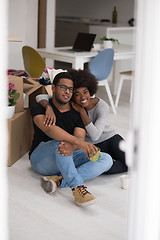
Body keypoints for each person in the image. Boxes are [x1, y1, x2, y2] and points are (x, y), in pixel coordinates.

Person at [29, 71, 113, 207]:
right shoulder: (39, 107)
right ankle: (77, 188)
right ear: (53, 88)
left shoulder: (78, 111)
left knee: (105, 159)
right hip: (41, 159)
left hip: (65, 155)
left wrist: (75, 145)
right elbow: (50, 130)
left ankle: (59, 180)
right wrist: (79, 143)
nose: (67, 92)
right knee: (61, 143)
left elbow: (79, 136)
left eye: (70, 89)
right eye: (63, 88)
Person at [36, 69, 128, 175]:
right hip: (88, 145)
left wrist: (81, 111)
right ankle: (83, 172)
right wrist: (48, 107)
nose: (83, 97)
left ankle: (99, 167)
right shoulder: (70, 104)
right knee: (102, 164)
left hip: (110, 138)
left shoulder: (101, 106)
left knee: (132, 163)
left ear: (90, 91)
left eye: (85, 92)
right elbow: (40, 97)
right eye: (77, 94)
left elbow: (95, 135)